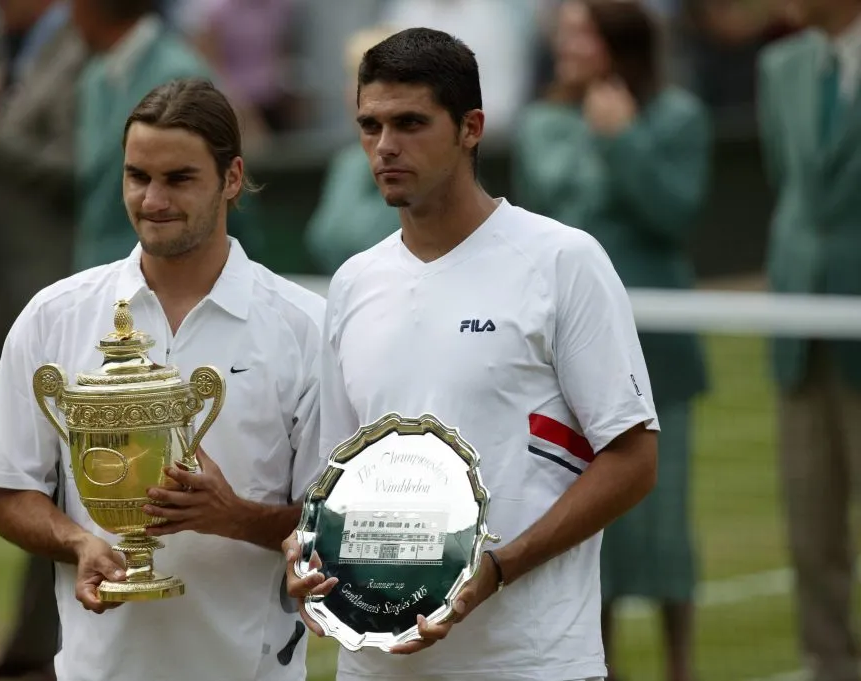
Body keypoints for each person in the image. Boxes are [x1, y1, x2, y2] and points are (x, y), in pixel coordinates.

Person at [284, 27, 659, 681]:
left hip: (532, 661)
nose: (385, 145)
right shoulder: (352, 284)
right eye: (370, 125)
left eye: (410, 123)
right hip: (374, 667)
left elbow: (633, 459)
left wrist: (498, 568)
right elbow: (336, 478)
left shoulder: (562, 261)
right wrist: (306, 551)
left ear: (471, 128)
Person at [0, 77, 325, 681]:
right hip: (97, 668)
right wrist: (78, 541)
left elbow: (335, 520)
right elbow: (12, 496)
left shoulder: (305, 326)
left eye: (179, 178)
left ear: (232, 178)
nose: (153, 199)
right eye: (138, 177)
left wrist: (232, 515)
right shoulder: (54, 316)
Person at [513, 3, 711, 680]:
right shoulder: (543, 123)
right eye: (564, 33)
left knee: (666, 522)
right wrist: (604, 146)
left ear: (619, 41)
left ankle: (680, 665)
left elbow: (675, 210)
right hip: (566, 348)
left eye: (582, 33)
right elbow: (553, 216)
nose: (566, 45)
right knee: (581, 515)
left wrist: (624, 139)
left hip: (660, 350)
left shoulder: (677, 116)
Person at [0, 2, 88, 679]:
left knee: (64, 476)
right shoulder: (18, 49)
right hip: (10, 286)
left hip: (59, 285)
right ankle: (33, 644)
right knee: (36, 474)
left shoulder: (76, 49)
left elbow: (81, 166)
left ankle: (41, 647)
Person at [757, 1, 861, 679]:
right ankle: (830, 665)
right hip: (800, 328)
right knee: (811, 528)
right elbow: (789, 185)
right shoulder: (779, 65)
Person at [71, 0, 213, 272]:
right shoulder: (95, 77)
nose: (70, 17)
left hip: (171, 276)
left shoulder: (180, 75)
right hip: (105, 276)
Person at [304, 25, 399, 274]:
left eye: (366, 82)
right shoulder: (347, 162)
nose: (352, 93)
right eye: (351, 80)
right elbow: (323, 239)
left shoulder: (418, 158)